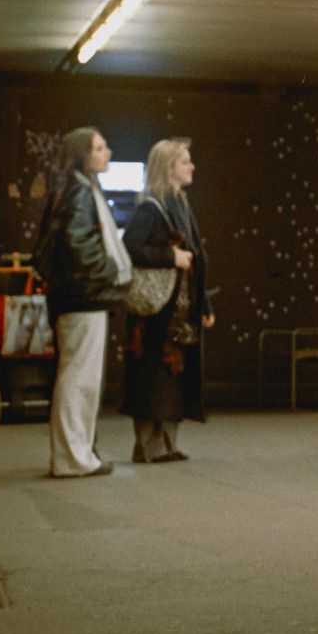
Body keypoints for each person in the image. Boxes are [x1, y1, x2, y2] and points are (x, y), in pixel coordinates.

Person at [34, 127, 132, 477]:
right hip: (83, 298)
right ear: (83, 155)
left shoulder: (74, 188)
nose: (107, 153)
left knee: (76, 377)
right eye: (100, 148)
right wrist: (112, 269)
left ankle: (75, 454)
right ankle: (73, 458)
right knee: (79, 380)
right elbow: (81, 248)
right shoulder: (80, 192)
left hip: (75, 298)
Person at [121, 137, 213, 463]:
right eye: (185, 160)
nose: (192, 166)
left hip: (178, 310)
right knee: (154, 378)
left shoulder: (181, 204)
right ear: (169, 166)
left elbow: (196, 258)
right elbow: (129, 247)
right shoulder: (151, 206)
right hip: (157, 311)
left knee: (172, 377)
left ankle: (167, 444)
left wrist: (204, 306)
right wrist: (168, 257)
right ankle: (150, 447)